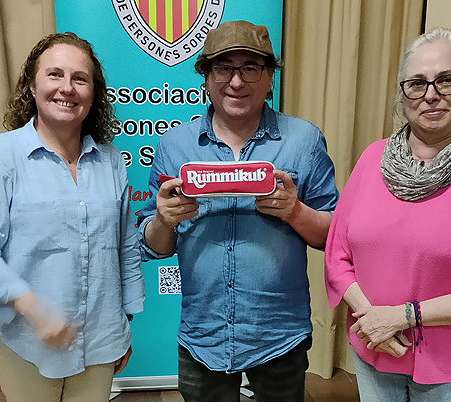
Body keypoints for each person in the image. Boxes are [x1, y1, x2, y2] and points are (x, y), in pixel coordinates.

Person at [324, 27, 451, 401]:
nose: (431, 94)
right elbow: (337, 257)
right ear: (403, 95)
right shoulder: (372, 159)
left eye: (447, 80)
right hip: (374, 350)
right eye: (417, 83)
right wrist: (374, 320)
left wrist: (401, 317)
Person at [137, 20, 339, 402]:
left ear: (270, 78)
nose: (236, 81)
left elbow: (334, 236)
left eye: (250, 68)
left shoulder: (304, 140)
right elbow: (154, 246)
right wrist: (163, 220)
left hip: (280, 334)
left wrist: (295, 211)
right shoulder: (174, 145)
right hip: (203, 335)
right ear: (206, 77)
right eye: (224, 68)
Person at [0, 32, 145, 402]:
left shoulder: (111, 162)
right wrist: (33, 307)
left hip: (101, 339)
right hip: (25, 341)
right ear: (32, 85)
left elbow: (125, 247)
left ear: (94, 93)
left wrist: (124, 323)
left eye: (80, 78)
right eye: (55, 74)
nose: (67, 88)